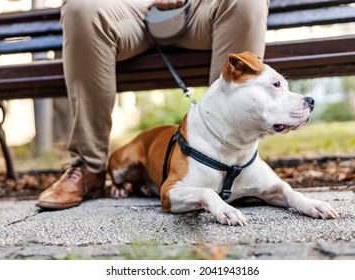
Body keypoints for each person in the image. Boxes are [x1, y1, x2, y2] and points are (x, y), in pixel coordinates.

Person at [36, 0, 270, 210]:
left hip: (201, 8)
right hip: (130, 9)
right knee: (81, 7)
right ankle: (89, 168)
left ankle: (237, 165)